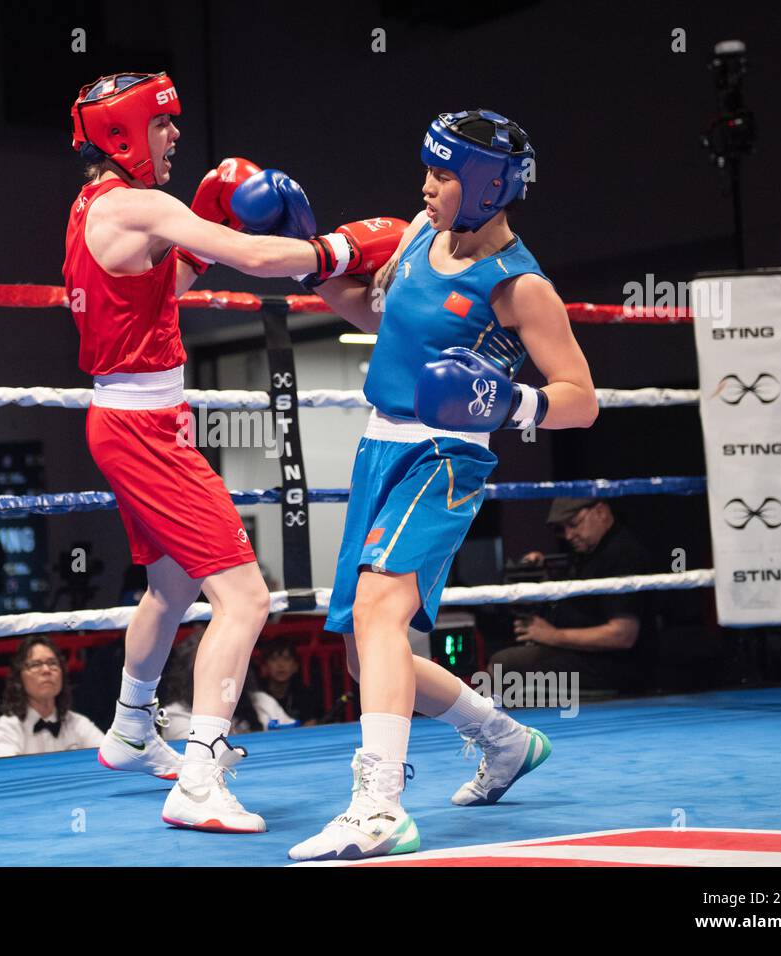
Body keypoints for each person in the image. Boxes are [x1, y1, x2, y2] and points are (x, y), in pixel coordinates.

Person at [270, 110, 599, 861]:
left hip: (446, 456)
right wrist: (312, 269)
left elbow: (582, 398)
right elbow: (372, 314)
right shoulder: (420, 236)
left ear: (486, 187)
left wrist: (509, 402)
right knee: (367, 651)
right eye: (428, 169)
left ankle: (377, 804)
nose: (426, 187)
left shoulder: (521, 286)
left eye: (444, 175)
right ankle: (505, 737)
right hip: (378, 447)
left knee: (384, 613)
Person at [63, 72, 378, 832]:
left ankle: (132, 729)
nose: (175, 137)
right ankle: (198, 778)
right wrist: (335, 247)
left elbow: (160, 285)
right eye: (163, 126)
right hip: (144, 431)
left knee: (170, 590)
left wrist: (199, 216)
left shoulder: (95, 209)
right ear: (124, 135)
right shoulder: (141, 205)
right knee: (245, 597)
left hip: (127, 419)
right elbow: (255, 258)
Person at [493, 497, 654, 691]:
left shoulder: (623, 554)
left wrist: (553, 635)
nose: (568, 535)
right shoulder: (589, 551)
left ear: (601, 512)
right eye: (562, 529)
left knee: (504, 666)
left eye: (573, 524)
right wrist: (544, 568)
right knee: (505, 652)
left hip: (614, 666)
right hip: (584, 656)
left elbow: (623, 634)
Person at [0, 637, 105, 757]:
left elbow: (111, 758)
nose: (46, 670)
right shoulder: (7, 728)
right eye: (36, 664)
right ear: (19, 677)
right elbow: (7, 773)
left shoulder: (76, 723)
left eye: (53, 663)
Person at [257, 637, 324, 726]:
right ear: (264, 667)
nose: (281, 665)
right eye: (273, 659)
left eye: (287, 659)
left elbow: (311, 723)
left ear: (295, 666)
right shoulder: (257, 696)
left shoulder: (304, 693)